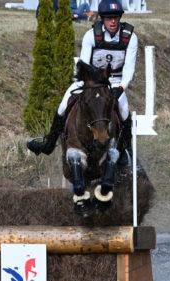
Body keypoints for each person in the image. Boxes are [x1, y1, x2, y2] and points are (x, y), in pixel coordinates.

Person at [28, 0, 138, 163]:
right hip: (90, 81)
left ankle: (123, 151)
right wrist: (90, 85)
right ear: (102, 19)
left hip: (115, 80)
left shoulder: (130, 37)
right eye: (109, 18)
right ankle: (49, 142)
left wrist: (121, 88)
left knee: (123, 110)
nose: (113, 21)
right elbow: (85, 65)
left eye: (115, 17)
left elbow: (129, 67)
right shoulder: (91, 35)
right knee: (64, 103)